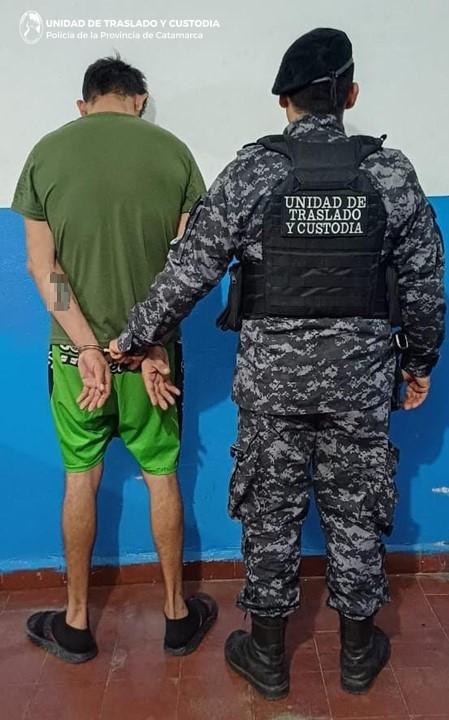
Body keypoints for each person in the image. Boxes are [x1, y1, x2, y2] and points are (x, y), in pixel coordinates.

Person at [109, 28, 445, 699]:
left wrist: (135, 338)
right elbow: (424, 283)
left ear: (283, 101)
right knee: (357, 511)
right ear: (350, 95)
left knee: (270, 512)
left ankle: (266, 656)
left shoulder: (253, 172)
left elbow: (191, 268)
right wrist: (418, 362)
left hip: (272, 386)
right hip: (359, 383)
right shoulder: (390, 174)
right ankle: (357, 654)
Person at [12, 54, 216, 664]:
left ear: (83, 104)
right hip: (151, 362)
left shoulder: (46, 153)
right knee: (162, 475)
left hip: (78, 362)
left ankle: (76, 623)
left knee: (81, 476)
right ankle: (176, 615)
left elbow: (42, 267)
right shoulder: (174, 154)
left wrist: (86, 345)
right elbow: (189, 268)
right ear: (139, 100)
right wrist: (148, 341)